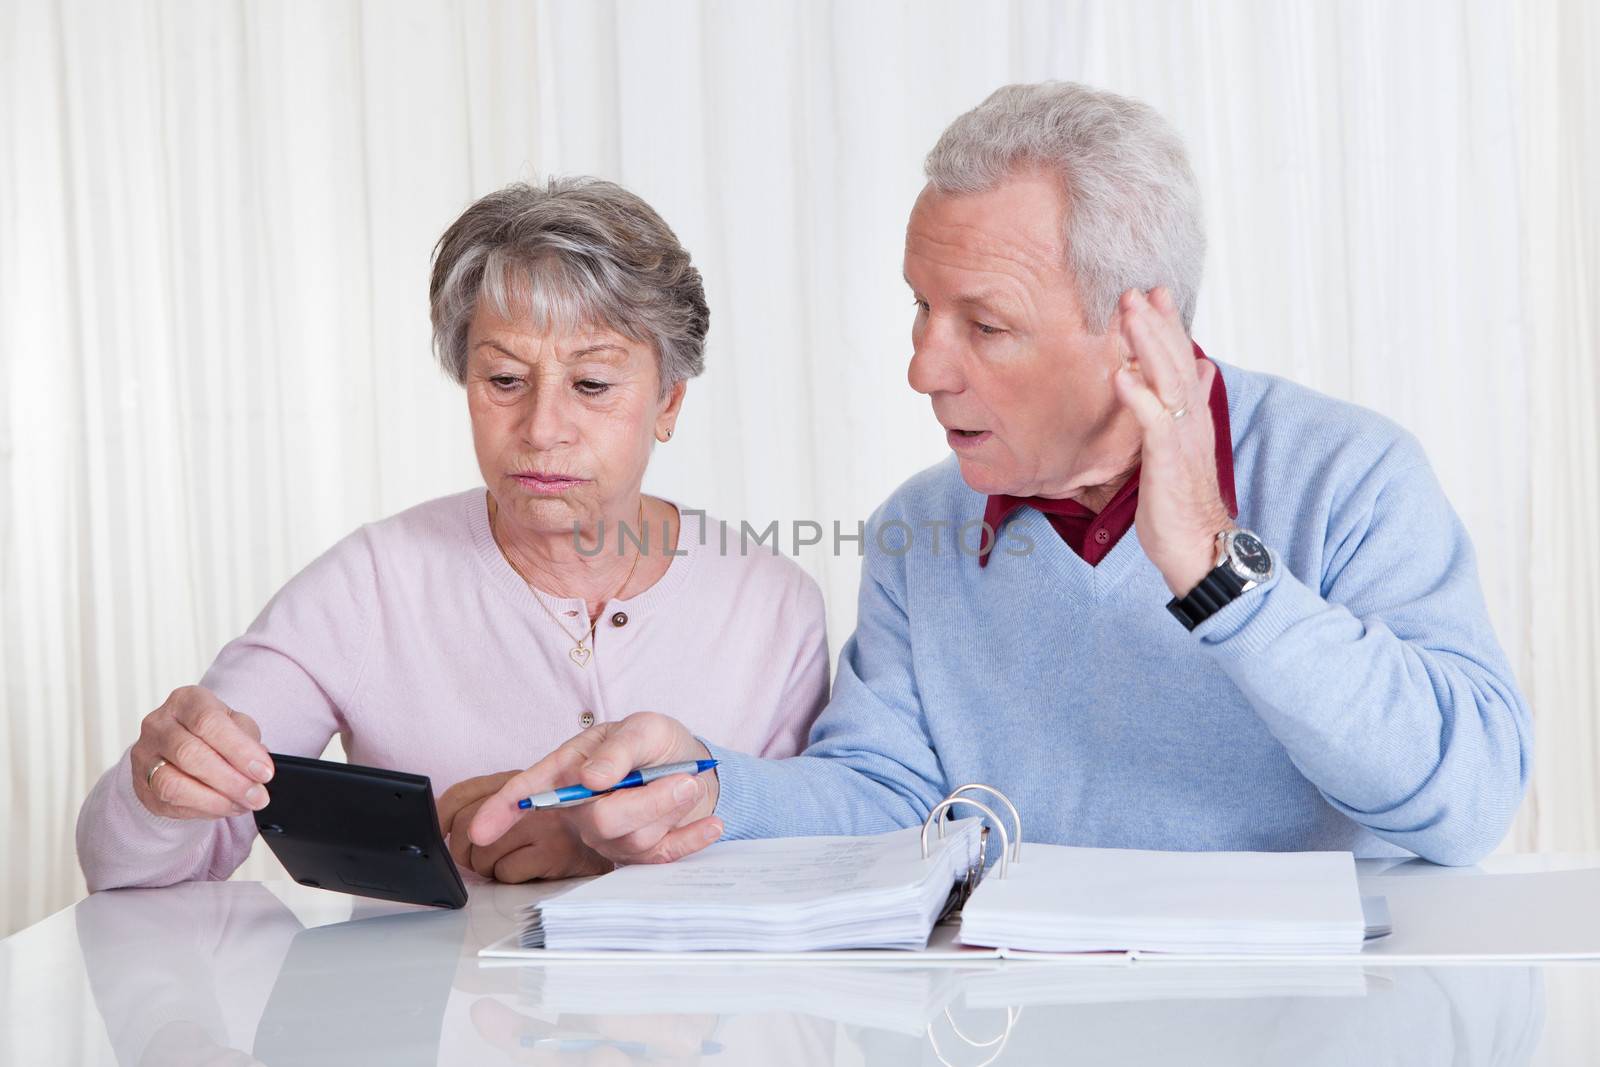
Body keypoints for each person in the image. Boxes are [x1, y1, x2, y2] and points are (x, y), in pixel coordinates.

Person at [470, 82, 1531, 869]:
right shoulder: (920, 529)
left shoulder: (1347, 475)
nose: (923, 368)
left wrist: (1218, 570)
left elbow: (1467, 800)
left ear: (1136, 329)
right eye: (920, 310)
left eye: (984, 324)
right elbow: (889, 795)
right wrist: (709, 782)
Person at [75, 178, 829, 890]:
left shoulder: (772, 605)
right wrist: (160, 786)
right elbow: (127, 869)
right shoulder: (368, 585)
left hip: (704, 1027)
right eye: (504, 380)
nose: (541, 428)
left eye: (592, 385)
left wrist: (598, 847)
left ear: (669, 400)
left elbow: (820, 858)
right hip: (430, 1024)